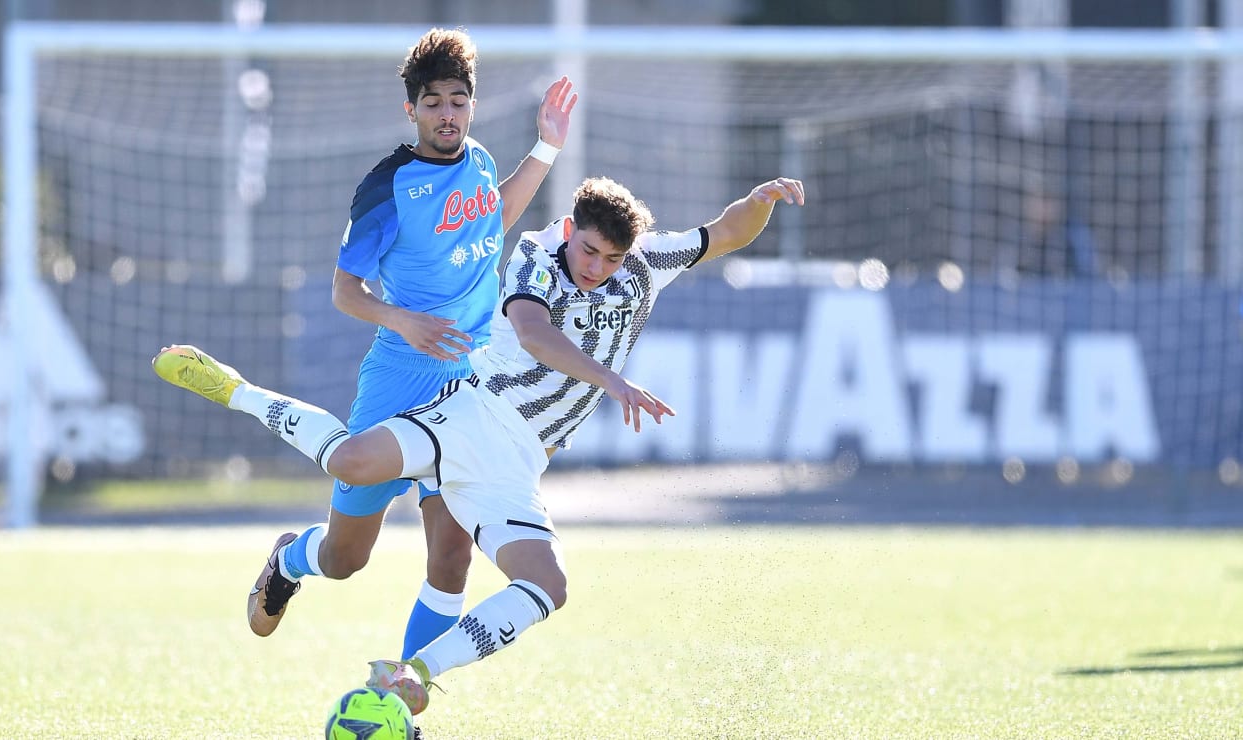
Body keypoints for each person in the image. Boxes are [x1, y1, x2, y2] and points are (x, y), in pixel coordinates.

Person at [152, 174, 805, 716]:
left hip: (517, 465)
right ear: (570, 230)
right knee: (351, 507)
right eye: (588, 253)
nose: (597, 270)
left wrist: (761, 203)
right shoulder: (534, 257)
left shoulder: (644, 263)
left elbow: (722, 234)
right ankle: (235, 397)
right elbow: (531, 332)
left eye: (610, 260)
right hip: (473, 414)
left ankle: (409, 679)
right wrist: (610, 379)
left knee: (544, 584)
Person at [237, 26, 576, 664]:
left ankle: (401, 703)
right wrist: (402, 320)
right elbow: (344, 290)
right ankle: (292, 557)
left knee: (451, 556)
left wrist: (547, 148)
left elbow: (494, 218)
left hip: (470, 384)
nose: (447, 114)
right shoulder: (385, 186)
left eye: (458, 100)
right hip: (400, 377)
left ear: (472, 105)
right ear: (411, 109)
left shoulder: (479, 160)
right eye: (433, 102)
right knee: (346, 559)